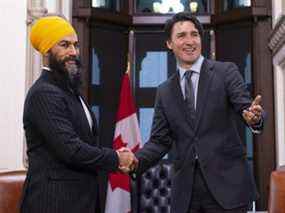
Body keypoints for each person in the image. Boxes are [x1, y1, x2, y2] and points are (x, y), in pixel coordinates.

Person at [129, 12, 264, 213]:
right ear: (169, 43)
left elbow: (247, 107)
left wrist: (255, 118)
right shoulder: (164, 91)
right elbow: (159, 141)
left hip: (228, 190)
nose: (189, 41)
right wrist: (135, 160)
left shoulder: (225, 72)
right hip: (187, 194)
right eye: (182, 35)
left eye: (194, 34)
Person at [20, 15, 135, 213]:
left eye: (75, 45)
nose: (73, 52)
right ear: (47, 50)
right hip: (54, 204)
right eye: (64, 45)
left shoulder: (71, 91)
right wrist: (115, 159)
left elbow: (85, 143)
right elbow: (71, 149)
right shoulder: (44, 93)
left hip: (82, 201)